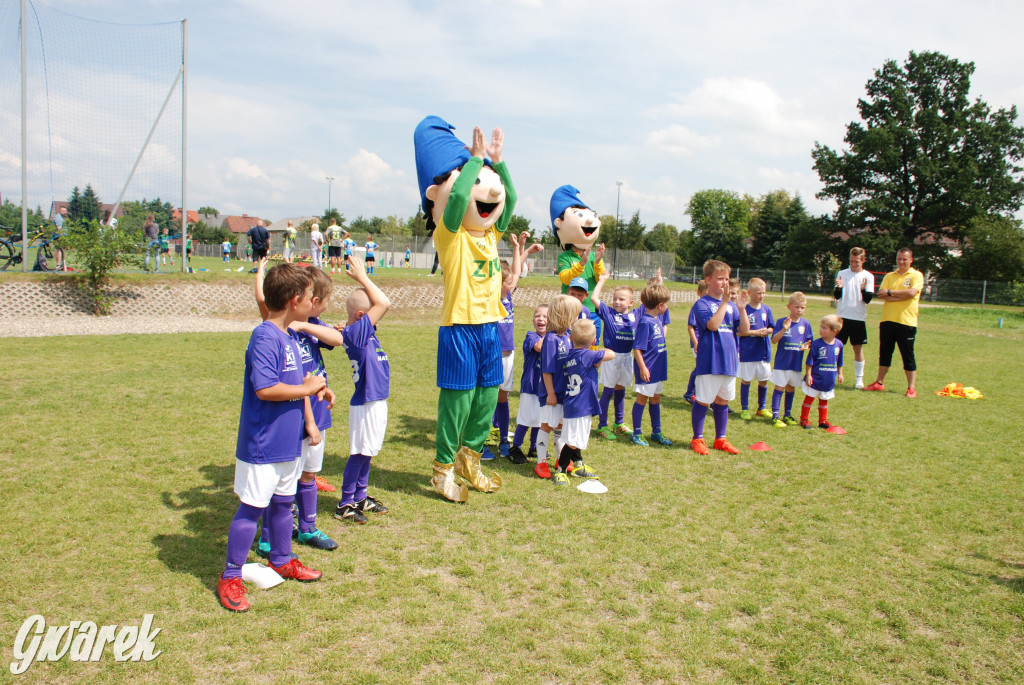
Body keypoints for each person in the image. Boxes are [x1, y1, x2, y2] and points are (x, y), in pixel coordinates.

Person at [414, 116, 516, 501]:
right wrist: (474, 162)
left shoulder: (490, 234)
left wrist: (498, 163)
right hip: (459, 327)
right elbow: (457, 201)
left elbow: (512, 199)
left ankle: (469, 458)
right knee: (457, 400)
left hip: (491, 326)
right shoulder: (450, 235)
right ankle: (441, 468)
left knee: (489, 394)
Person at [216, 263, 326, 613]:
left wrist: (317, 392)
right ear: (295, 301)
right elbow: (264, 389)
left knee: (282, 504)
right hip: (263, 444)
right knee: (252, 509)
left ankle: (282, 560)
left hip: (288, 442)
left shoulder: (290, 336)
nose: (314, 302)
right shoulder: (264, 336)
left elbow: (298, 382)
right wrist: (305, 387)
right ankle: (231, 576)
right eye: (311, 297)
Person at [254, 259, 341, 552]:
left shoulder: (309, 325)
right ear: (302, 301)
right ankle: (270, 534)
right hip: (295, 416)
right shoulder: (278, 332)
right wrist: (259, 274)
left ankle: (307, 527)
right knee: (281, 482)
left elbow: (337, 339)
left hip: (317, 412)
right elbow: (262, 300)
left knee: (309, 474)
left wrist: (308, 326)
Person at [334, 255, 393, 523]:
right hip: (366, 403)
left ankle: (360, 497)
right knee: (359, 453)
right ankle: (346, 502)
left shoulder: (362, 332)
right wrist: (362, 277)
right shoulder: (358, 333)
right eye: (371, 314)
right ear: (361, 316)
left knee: (367, 451)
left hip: (376, 402)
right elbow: (385, 302)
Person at [688, 260, 750, 455]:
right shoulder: (702, 304)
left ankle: (720, 439)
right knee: (704, 400)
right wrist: (724, 303)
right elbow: (713, 325)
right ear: (708, 280)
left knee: (723, 401)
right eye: (720, 278)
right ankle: (697, 438)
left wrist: (741, 308)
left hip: (729, 361)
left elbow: (745, 330)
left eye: (727, 279)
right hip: (710, 361)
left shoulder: (731, 306)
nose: (725, 283)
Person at [490, 232, 543, 458]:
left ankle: (503, 438)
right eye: (508, 280)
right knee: (487, 398)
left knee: (502, 398)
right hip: (491, 356)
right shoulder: (491, 299)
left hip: (507, 356)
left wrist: (519, 249)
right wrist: (521, 249)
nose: (514, 280)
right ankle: (481, 438)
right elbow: (512, 273)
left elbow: (515, 271)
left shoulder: (508, 295)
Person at [553, 318, 613, 486]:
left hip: (575, 404)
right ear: (593, 341)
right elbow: (611, 354)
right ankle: (562, 469)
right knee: (572, 442)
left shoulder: (571, 354)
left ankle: (578, 465)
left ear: (571, 338)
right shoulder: (587, 354)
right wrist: (598, 350)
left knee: (576, 437)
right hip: (580, 405)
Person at [864, 248, 924, 398]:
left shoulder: (917, 275)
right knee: (885, 353)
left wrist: (891, 293)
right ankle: (879, 382)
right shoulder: (890, 276)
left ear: (911, 260)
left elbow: (911, 293)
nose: (901, 262)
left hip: (907, 322)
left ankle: (911, 387)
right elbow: (882, 294)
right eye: (899, 259)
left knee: (907, 355)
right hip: (887, 321)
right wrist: (900, 295)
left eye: (904, 259)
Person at [589, 272, 642, 439]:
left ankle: (619, 423)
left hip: (627, 357)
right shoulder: (608, 312)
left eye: (622, 299)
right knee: (608, 390)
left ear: (631, 303)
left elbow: (650, 302)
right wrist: (602, 281)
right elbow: (594, 299)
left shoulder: (636, 315)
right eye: (615, 298)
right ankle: (602, 425)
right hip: (611, 357)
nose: (617, 302)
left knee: (621, 390)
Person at [550, 185, 606, 342]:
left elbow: (599, 277)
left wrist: (598, 262)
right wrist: (581, 264)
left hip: (591, 309)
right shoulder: (565, 257)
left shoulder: (595, 255)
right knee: (570, 346)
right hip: (570, 310)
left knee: (592, 346)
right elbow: (565, 279)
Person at [535, 295, 581, 478]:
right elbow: (547, 370)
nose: (577, 319)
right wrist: (551, 393)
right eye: (574, 315)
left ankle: (560, 459)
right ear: (564, 316)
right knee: (546, 426)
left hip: (564, 392)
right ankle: (541, 463)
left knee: (560, 426)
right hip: (551, 394)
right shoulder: (551, 339)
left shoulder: (566, 337)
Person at [631, 283, 674, 447]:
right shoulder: (645, 322)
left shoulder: (657, 320)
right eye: (667, 304)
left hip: (657, 369)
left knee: (656, 398)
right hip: (647, 369)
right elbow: (637, 348)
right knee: (642, 399)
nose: (667, 307)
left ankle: (656, 431)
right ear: (660, 305)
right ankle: (636, 433)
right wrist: (642, 367)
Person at [508, 304, 547, 465]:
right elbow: (539, 347)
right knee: (525, 419)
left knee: (539, 419)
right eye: (538, 316)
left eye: (546, 317)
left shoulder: (554, 339)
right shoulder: (531, 336)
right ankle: (515, 447)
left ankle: (534, 446)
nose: (541, 319)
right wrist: (553, 333)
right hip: (530, 386)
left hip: (544, 388)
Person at [769, 292, 813, 428]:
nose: (800, 310)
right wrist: (783, 329)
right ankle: (775, 415)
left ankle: (787, 414)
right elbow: (774, 340)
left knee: (791, 388)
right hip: (782, 363)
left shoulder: (806, 324)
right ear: (789, 307)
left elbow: (809, 341)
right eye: (797, 307)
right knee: (779, 387)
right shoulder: (782, 321)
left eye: (802, 307)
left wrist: (806, 345)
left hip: (796, 363)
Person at [833, 247, 875, 388]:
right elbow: (837, 296)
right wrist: (839, 288)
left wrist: (863, 289)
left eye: (856, 261)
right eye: (851, 261)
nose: (853, 264)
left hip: (858, 318)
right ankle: (834, 375)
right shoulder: (842, 273)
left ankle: (859, 379)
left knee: (857, 348)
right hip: (842, 317)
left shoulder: (868, 276)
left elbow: (868, 299)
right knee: (836, 348)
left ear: (863, 261)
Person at [737, 278, 775, 420]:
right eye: (759, 293)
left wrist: (768, 331)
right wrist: (755, 332)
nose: (761, 296)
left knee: (763, 380)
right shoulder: (744, 309)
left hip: (763, 352)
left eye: (764, 293)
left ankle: (762, 408)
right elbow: (738, 331)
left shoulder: (767, 309)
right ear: (750, 293)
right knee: (746, 380)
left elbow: (772, 326)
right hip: (748, 352)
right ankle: (744, 409)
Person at [800, 314, 844, 429]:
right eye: (821, 326)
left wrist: (840, 374)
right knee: (809, 398)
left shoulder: (839, 345)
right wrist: (809, 375)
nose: (820, 330)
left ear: (834, 331)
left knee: (824, 400)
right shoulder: (816, 344)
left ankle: (822, 421)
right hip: (815, 378)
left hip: (828, 380)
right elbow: (809, 362)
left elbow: (839, 362)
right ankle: (804, 419)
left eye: (824, 328)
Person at [683, 280, 709, 405]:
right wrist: (696, 342)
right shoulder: (697, 306)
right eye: (705, 293)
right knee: (700, 367)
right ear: (699, 293)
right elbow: (690, 327)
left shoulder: (710, 306)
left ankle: (698, 394)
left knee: (704, 368)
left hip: (707, 343)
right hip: (698, 343)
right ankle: (690, 393)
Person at [53, 206, 68, 271]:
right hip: (59, 236)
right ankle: (58, 264)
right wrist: (61, 236)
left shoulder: (63, 218)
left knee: (62, 250)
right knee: (59, 250)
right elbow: (59, 228)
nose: (64, 212)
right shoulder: (58, 218)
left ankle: (61, 264)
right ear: (60, 211)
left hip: (64, 236)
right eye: (63, 211)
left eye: (65, 211)